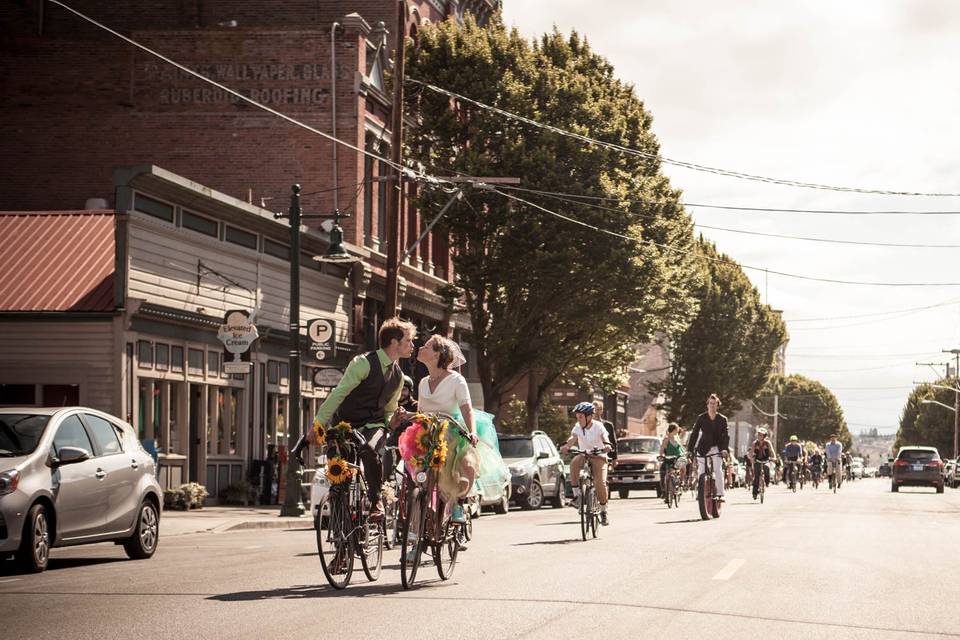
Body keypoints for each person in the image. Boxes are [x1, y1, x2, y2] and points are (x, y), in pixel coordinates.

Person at [291, 317, 416, 518]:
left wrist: (393, 420)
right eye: (409, 340)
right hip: (345, 424)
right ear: (394, 342)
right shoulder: (363, 363)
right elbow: (338, 393)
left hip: (373, 426)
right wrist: (318, 424)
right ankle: (342, 526)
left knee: (369, 448)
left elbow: (388, 412)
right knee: (340, 475)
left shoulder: (399, 376)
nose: (412, 345)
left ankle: (376, 501)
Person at [560, 402, 612, 525]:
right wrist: (567, 446)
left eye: (581, 417)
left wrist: (607, 445)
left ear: (589, 417)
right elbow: (572, 437)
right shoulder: (578, 427)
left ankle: (603, 511)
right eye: (577, 417)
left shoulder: (598, 426)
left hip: (599, 456)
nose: (578, 419)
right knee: (573, 464)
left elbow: (605, 437)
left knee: (600, 483)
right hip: (584, 454)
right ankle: (577, 497)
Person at [686, 394, 730, 501]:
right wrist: (690, 450)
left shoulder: (722, 419)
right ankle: (701, 493)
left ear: (717, 405)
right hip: (703, 447)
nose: (712, 405)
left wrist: (724, 449)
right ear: (707, 405)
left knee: (718, 470)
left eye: (714, 404)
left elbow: (726, 436)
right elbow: (695, 434)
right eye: (710, 403)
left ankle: (720, 494)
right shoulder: (701, 418)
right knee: (701, 470)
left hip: (717, 447)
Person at [746, 427, 776, 499]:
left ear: (764, 436)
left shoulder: (767, 443)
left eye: (761, 435)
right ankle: (755, 493)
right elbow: (751, 452)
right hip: (757, 460)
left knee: (766, 468)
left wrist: (774, 457)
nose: (759, 436)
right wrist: (751, 458)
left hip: (766, 460)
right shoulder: (754, 443)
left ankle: (766, 482)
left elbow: (772, 451)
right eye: (759, 435)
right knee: (756, 477)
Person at [658, 422, 686, 495]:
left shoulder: (677, 438)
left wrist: (686, 455)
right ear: (674, 430)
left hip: (679, 457)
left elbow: (682, 449)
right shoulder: (666, 439)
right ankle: (669, 491)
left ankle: (681, 482)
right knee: (669, 474)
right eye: (677, 429)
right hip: (670, 458)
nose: (678, 430)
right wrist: (661, 456)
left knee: (683, 468)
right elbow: (662, 448)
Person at [594, 400, 619, 468]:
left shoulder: (608, 425)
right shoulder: (586, 425)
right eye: (595, 410)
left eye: (599, 410)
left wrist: (615, 458)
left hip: (605, 455)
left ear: (601, 411)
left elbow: (613, 442)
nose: (596, 412)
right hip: (591, 455)